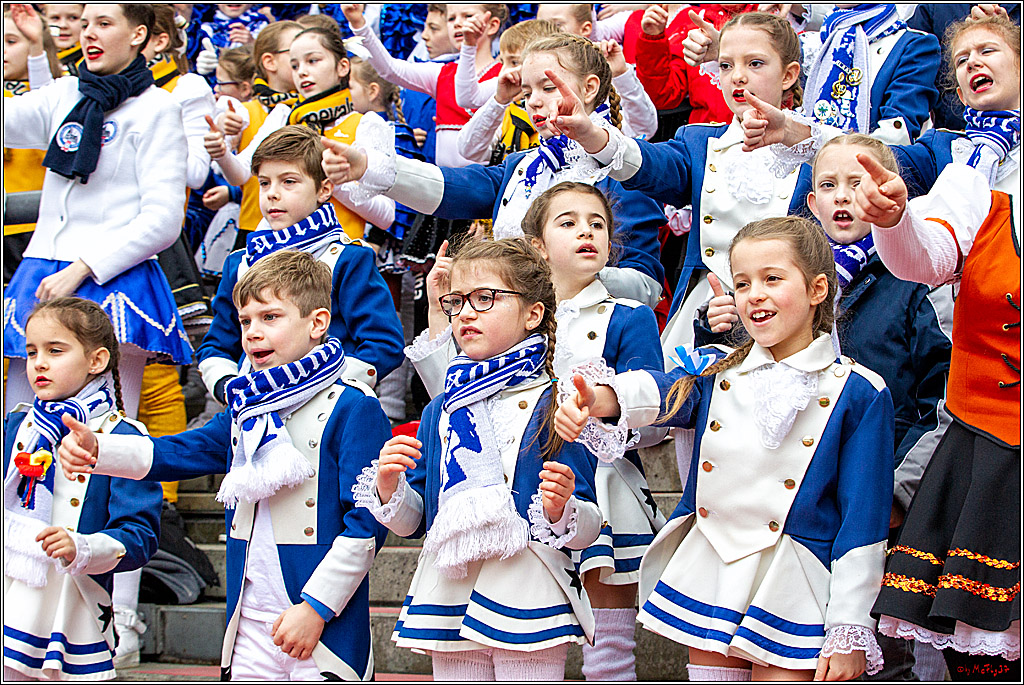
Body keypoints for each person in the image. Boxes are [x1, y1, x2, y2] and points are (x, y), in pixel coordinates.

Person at [557, 216, 895, 681]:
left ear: (819, 288)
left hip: (797, 579)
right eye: (742, 283)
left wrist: (849, 625)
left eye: (771, 279)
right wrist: (602, 397)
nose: (753, 293)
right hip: (717, 565)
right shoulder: (717, 374)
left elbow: (863, 521)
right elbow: (665, 392)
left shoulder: (859, 390)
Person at [58, 250, 393, 681]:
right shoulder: (248, 406)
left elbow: (366, 525)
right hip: (249, 618)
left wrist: (315, 608)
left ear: (318, 323)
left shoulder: (353, 405)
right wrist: (99, 450)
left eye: (270, 317)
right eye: (246, 321)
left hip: (320, 621)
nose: (253, 332)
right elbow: (177, 451)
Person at [354, 238, 602, 681]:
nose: (466, 313)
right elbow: (418, 523)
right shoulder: (439, 409)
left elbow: (587, 526)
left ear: (533, 313)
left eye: (485, 298)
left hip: (528, 578)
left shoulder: (558, 400)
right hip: (449, 579)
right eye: (457, 301)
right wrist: (389, 487)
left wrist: (561, 508)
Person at [321, 32, 667, 309]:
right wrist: (371, 167)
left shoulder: (626, 167)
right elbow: (453, 187)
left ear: (590, 88)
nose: (532, 101)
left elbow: (647, 288)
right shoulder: (524, 166)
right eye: (527, 91)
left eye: (547, 88)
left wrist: (564, 275)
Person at [543, 11, 814, 350]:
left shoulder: (813, 149)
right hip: (709, 305)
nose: (738, 78)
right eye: (727, 66)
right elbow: (650, 164)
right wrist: (591, 133)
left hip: (791, 313)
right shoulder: (700, 142)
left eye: (755, 64)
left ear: (789, 74)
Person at [854, 144, 1020, 681]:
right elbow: (924, 258)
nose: (973, 59)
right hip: (990, 449)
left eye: (987, 49)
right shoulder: (975, 187)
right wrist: (896, 221)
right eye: (964, 53)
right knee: (981, 652)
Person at [2, 3, 193, 421]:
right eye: (85, 24)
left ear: (138, 34)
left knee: (99, 431)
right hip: (41, 271)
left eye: (104, 24)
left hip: (112, 279)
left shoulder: (158, 108)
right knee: (19, 423)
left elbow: (163, 220)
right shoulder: (65, 93)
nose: (88, 33)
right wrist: (37, 47)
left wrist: (82, 268)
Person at [3, 297, 162, 681]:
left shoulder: (123, 438)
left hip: (73, 603)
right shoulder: (16, 425)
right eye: (31, 351)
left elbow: (140, 534)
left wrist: (83, 547)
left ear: (97, 360)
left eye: (55, 350)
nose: (39, 362)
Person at [197, 126, 404, 405]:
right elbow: (218, 343)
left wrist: (329, 389)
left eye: (289, 182)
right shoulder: (240, 263)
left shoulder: (347, 259)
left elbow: (383, 344)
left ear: (324, 189)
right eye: (264, 182)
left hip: (325, 411)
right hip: (252, 406)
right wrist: (227, 387)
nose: (272, 193)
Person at [206, 25, 396, 242]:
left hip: (338, 258)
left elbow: (386, 216)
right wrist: (221, 153)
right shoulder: (282, 116)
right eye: (294, 65)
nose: (302, 71)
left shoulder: (366, 125)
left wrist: (336, 182)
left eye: (313, 61)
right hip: (281, 254)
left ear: (342, 66)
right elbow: (241, 173)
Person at [341, 3, 505, 168]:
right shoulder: (441, 73)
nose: (457, 23)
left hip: (489, 179)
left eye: (467, 16)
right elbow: (389, 69)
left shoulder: (505, 77)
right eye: (451, 18)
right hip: (445, 182)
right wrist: (359, 24)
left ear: (492, 25)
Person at [3, 5, 62, 284]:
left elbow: (45, 111)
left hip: (37, 231)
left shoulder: (57, 93)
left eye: (11, 42)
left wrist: (37, 47)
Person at [42, 2, 84, 76]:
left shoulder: (92, 61)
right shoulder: (35, 57)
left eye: (73, 18)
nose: (63, 25)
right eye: (55, 18)